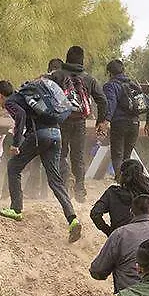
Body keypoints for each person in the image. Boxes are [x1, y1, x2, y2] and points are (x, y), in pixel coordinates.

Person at [0, 80, 82, 242]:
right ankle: (72, 219)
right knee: (55, 180)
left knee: (13, 166)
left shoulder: (11, 102)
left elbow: (20, 116)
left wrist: (15, 144)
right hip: (56, 134)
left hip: (39, 135)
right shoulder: (28, 97)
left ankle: (16, 209)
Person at [48, 46, 108, 203]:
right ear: (82, 60)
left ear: (67, 58)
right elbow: (102, 100)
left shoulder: (57, 76)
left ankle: (66, 179)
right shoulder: (89, 79)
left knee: (60, 154)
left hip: (60, 121)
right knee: (78, 156)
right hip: (80, 122)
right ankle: (80, 189)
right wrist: (100, 121)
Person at [100, 59, 149, 177]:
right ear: (123, 70)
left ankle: (120, 180)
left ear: (109, 73)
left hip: (119, 124)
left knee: (117, 155)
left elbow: (111, 103)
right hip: (135, 124)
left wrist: (106, 120)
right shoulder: (133, 85)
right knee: (127, 157)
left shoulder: (110, 85)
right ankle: (128, 182)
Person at [90, 159, 149, 236]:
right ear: (141, 175)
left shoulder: (112, 192)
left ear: (122, 175)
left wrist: (110, 232)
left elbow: (95, 214)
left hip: (120, 237)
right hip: (146, 239)